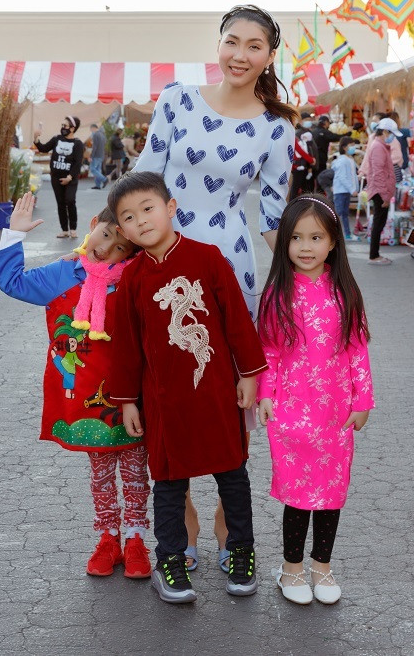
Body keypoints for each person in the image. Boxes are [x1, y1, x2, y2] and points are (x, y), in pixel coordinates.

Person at [133, 3, 297, 569]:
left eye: (255, 46)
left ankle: (232, 528)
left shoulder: (277, 127)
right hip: (159, 260)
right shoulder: (177, 99)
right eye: (233, 41)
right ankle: (184, 521)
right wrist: (104, 248)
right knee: (165, 385)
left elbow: (274, 218)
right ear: (218, 44)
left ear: (269, 56)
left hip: (229, 267)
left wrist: (314, 276)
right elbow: (145, 180)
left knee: (232, 393)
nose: (240, 55)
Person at [107, 171, 268, 604]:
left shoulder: (208, 258)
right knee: (170, 483)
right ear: (121, 230)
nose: (141, 221)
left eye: (148, 208)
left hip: (216, 393)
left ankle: (241, 552)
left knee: (232, 475)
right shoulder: (133, 280)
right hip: (163, 402)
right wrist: (127, 403)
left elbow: (237, 321)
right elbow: (125, 348)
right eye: (129, 217)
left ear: (170, 207)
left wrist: (249, 375)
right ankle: (171, 562)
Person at [0, 192, 151, 578]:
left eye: (119, 247)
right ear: (94, 223)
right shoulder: (65, 273)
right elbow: (12, 283)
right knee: (99, 471)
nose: (107, 249)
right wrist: (13, 235)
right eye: (106, 234)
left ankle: (136, 539)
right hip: (86, 400)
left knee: (134, 470)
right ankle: (107, 537)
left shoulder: (135, 278)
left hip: (131, 397)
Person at [257, 194, 374, 605]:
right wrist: (266, 394)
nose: (305, 247)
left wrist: (363, 401)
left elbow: (358, 349)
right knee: (296, 491)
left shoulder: (346, 292)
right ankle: (291, 570)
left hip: (336, 412)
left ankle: (322, 568)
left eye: (315, 237)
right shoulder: (277, 292)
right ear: (285, 243)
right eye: (295, 238)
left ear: (333, 243)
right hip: (290, 407)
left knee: (330, 491)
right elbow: (267, 351)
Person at [34, 116, 84, 239]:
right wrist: (36, 137)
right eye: (62, 125)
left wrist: (70, 176)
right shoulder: (57, 139)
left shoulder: (78, 144)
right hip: (56, 177)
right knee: (60, 203)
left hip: (70, 178)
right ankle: (64, 230)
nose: (63, 128)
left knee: (70, 200)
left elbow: (78, 163)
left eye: (65, 126)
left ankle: (73, 228)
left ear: (72, 128)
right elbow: (43, 148)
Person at [365, 117, 401, 265]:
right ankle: (374, 256)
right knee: (378, 223)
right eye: (391, 133)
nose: (391, 137)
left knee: (380, 223)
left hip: (381, 191)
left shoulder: (380, 146)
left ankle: (375, 254)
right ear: (385, 132)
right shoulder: (378, 147)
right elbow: (378, 173)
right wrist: (385, 196)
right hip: (380, 192)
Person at [331, 137, 359, 239]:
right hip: (341, 191)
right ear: (344, 147)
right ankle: (335, 234)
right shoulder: (343, 161)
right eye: (351, 145)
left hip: (345, 191)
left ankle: (346, 234)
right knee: (339, 214)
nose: (353, 147)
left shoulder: (349, 160)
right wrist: (352, 189)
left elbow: (351, 175)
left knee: (345, 214)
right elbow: (342, 177)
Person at [289, 130, 316, 200]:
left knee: (295, 186)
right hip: (297, 166)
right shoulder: (292, 138)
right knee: (295, 187)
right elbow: (300, 151)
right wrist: (311, 160)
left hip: (292, 166)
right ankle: (293, 204)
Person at [88, 122, 107, 190]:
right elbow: (104, 144)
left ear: (93, 128)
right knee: (98, 170)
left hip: (96, 155)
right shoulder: (102, 135)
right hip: (101, 154)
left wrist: (91, 156)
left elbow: (94, 147)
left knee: (92, 169)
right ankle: (98, 185)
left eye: (91, 129)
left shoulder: (95, 135)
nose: (91, 131)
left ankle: (104, 179)